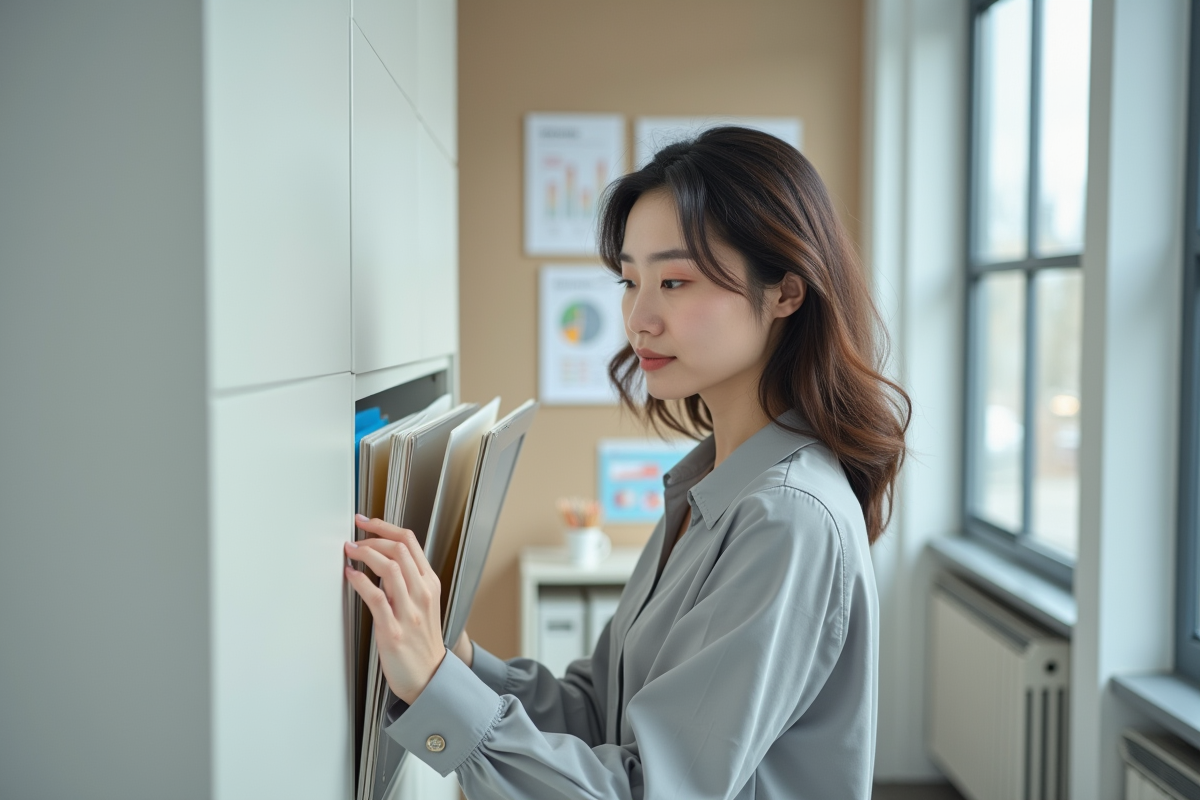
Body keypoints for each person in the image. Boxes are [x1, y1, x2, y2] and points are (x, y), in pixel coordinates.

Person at [344, 126, 911, 799]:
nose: (639, 318)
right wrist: (455, 658)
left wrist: (436, 692)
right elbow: (598, 713)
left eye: (675, 281)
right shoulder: (709, 484)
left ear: (786, 292)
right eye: (630, 280)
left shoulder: (786, 518)